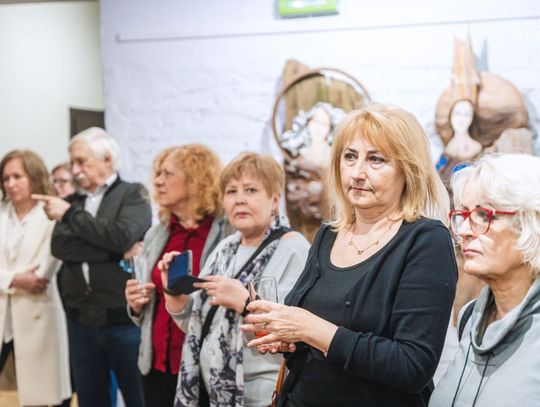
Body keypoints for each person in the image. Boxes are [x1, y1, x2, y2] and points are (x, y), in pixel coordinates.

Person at [244, 104, 458, 406]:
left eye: (376, 159)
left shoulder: (425, 241)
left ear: (408, 169)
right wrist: (289, 339)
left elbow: (412, 367)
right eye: (350, 157)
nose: (357, 173)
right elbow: (314, 341)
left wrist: (309, 328)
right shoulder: (329, 234)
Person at [160, 152, 310, 407]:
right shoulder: (224, 249)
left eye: (251, 190)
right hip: (212, 392)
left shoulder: (294, 248)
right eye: (231, 191)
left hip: (264, 396)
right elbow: (198, 326)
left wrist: (245, 302)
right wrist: (173, 292)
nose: (240, 199)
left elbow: (294, 334)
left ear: (274, 199)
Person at [33, 127, 152, 407]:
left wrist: (71, 217)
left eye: (81, 161)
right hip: (80, 322)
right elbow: (60, 247)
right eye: (72, 162)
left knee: (138, 397)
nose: (75, 170)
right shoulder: (74, 201)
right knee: (90, 399)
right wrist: (113, 249)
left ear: (107, 159)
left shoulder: (132, 194)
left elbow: (122, 235)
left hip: (122, 320)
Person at [429, 154, 540, 407]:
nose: (464, 231)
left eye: (484, 215)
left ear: (532, 224)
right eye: (464, 214)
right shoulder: (471, 317)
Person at [124, 144, 231, 407]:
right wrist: (135, 304)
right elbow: (148, 304)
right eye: (157, 174)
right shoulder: (157, 233)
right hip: (157, 363)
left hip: (205, 365)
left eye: (168, 174)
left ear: (196, 180)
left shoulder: (226, 232)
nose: (158, 181)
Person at [0, 150, 71, 406]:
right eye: (5, 178)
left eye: (17, 176)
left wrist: (6, 279)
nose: (10, 184)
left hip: (38, 312)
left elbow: (41, 275)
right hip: (3, 313)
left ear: (34, 176)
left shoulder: (51, 215)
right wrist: (13, 279)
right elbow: (24, 279)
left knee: (42, 395)